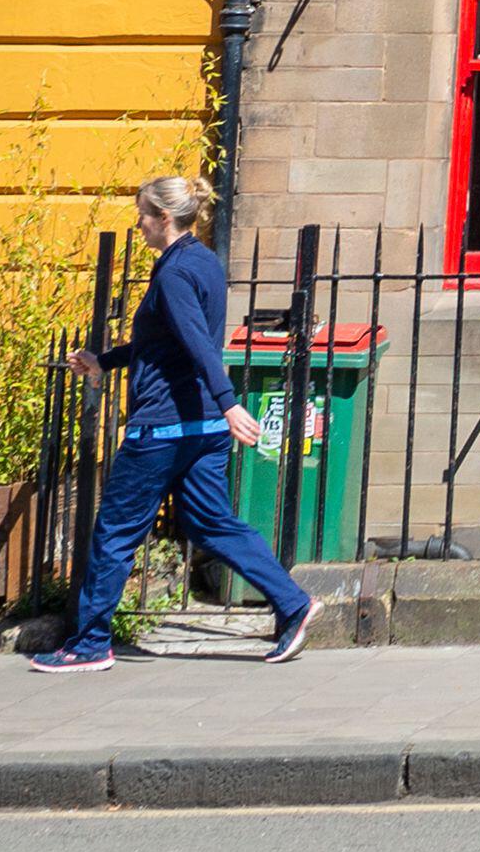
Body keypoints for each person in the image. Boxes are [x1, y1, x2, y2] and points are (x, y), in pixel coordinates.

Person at [32, 173, 316, 669]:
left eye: (143, 214)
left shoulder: (173, 274)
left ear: (165, 218)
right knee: (213, 524)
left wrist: (229, 402)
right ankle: (292, 603)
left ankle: (89, 644)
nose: (138, 224)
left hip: (163, 427)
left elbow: (197, 342)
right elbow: (164, 343)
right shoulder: (204, 263)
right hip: (202, 427)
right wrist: (106, 360)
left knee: (115, 531)